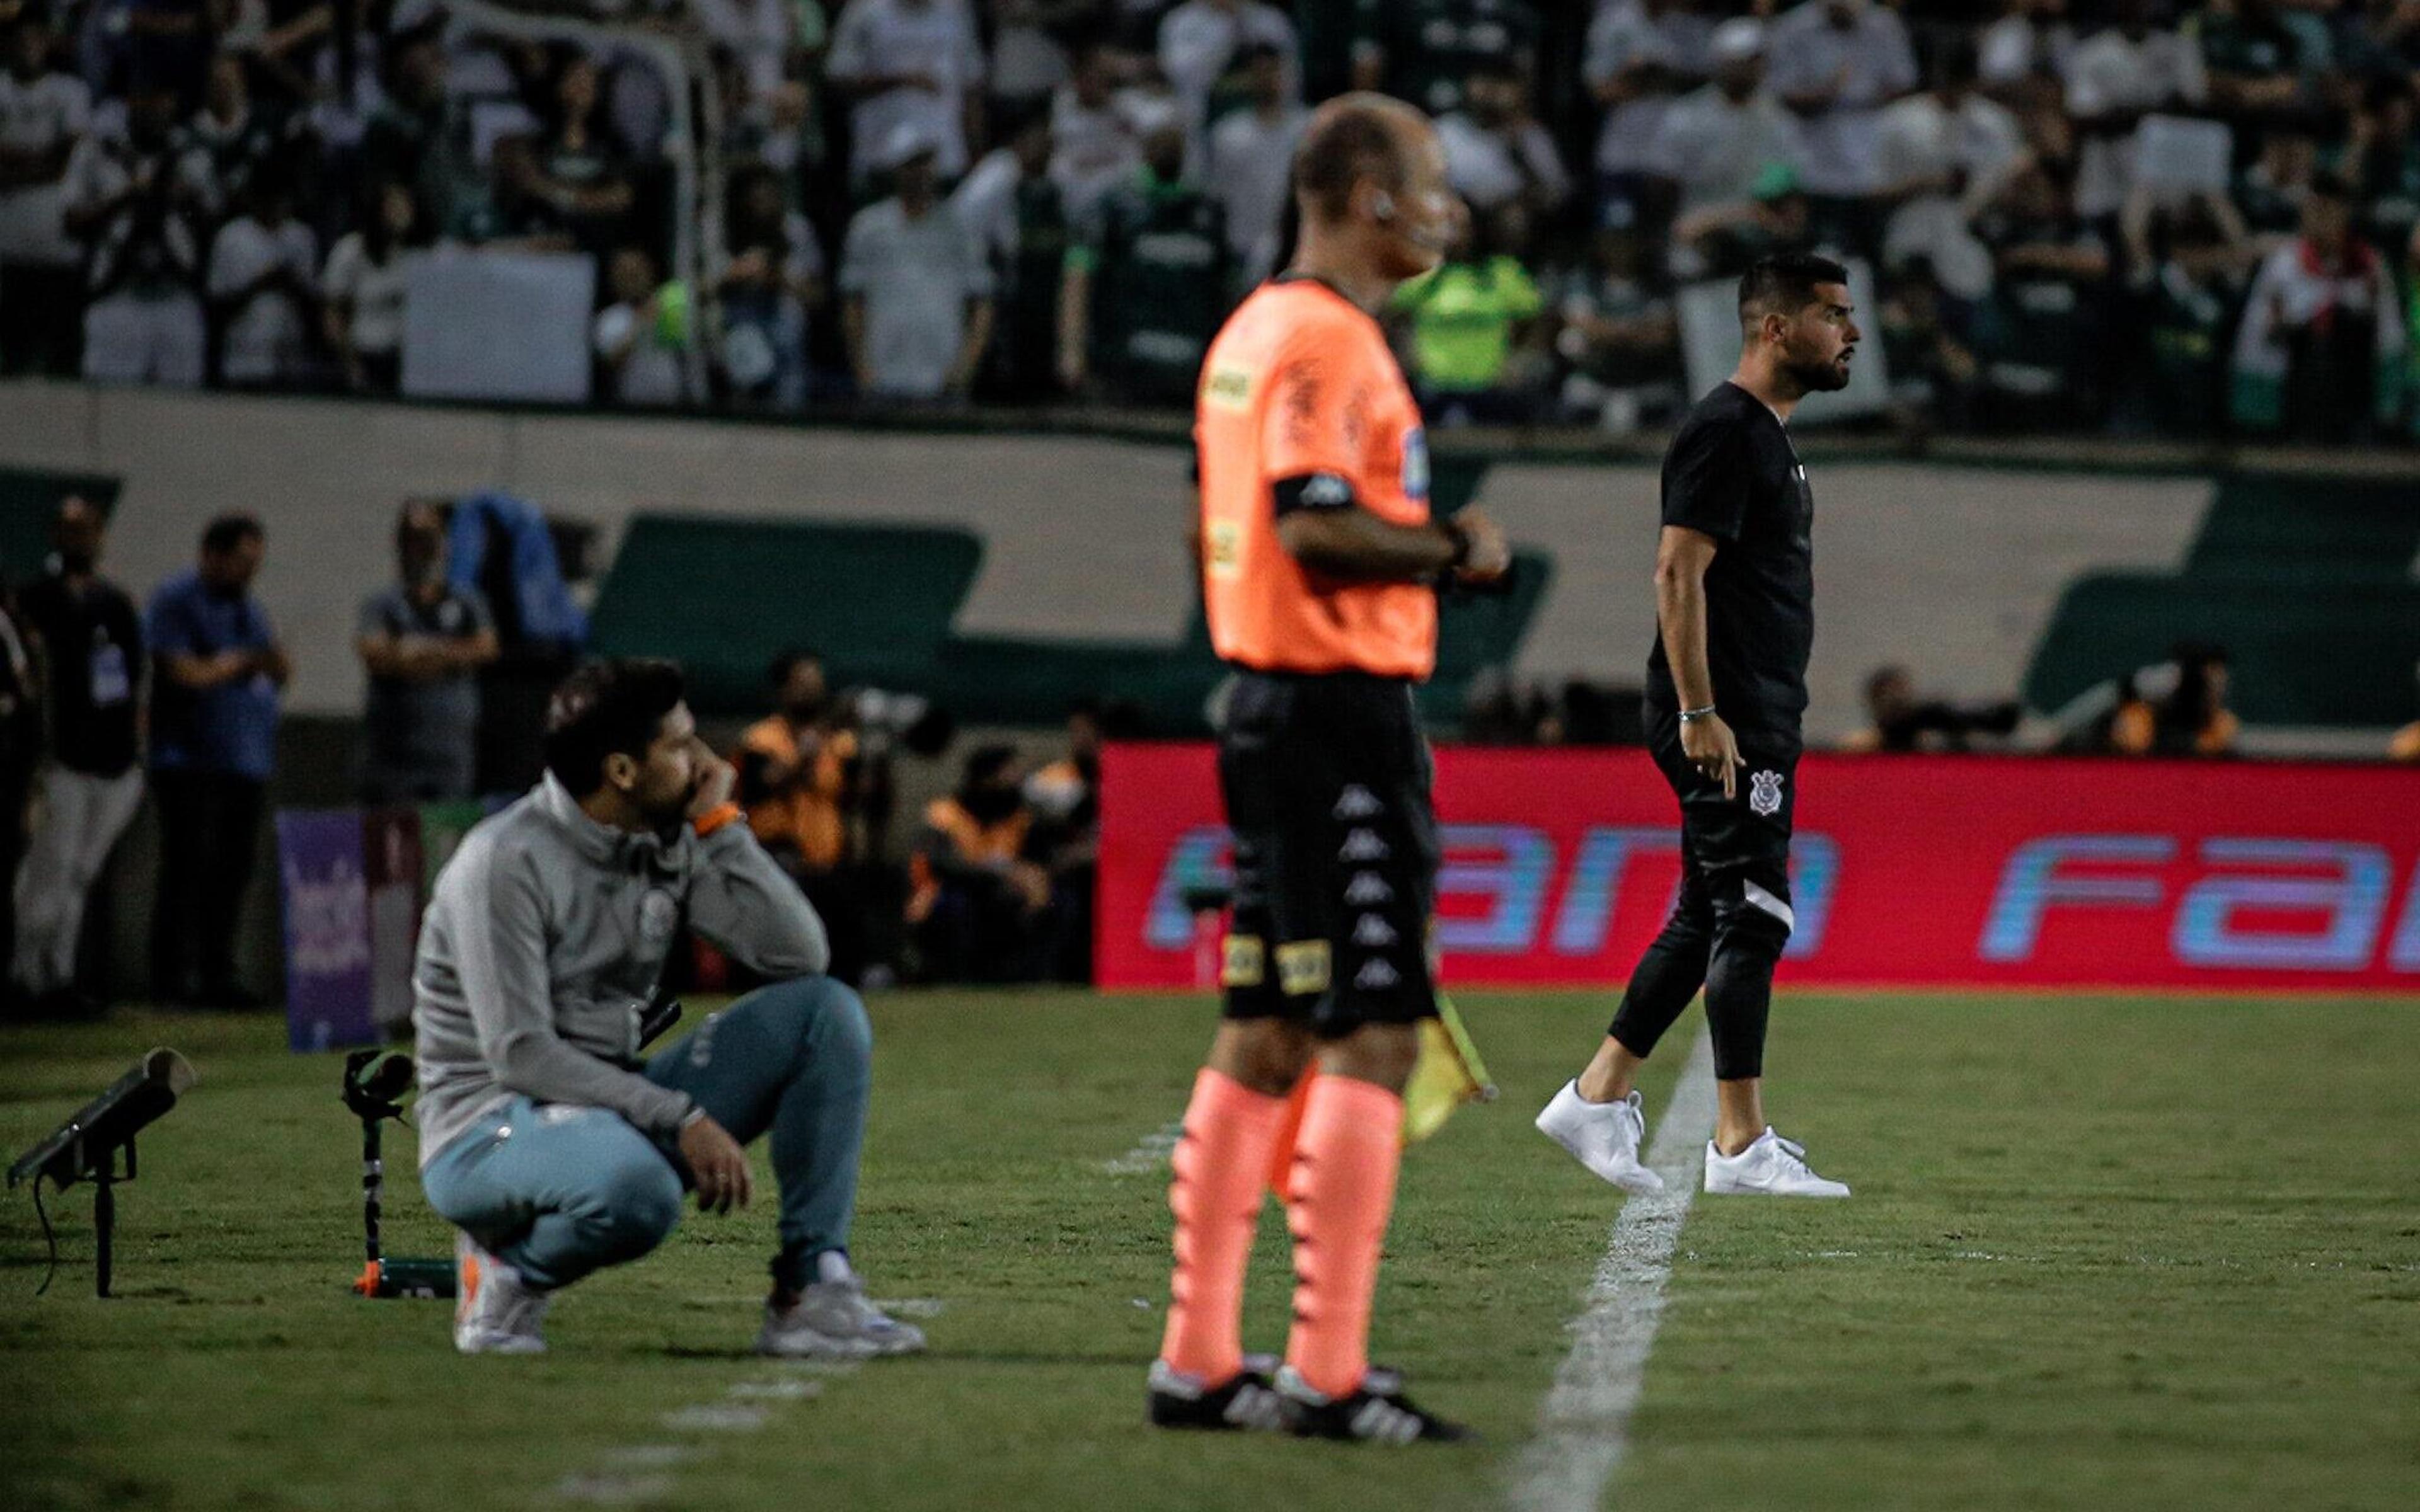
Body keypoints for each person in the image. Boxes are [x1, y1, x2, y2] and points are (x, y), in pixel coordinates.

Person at [1153, 92, 1510, 1443]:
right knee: (1372, 1023)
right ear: (1368, 199)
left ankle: (1197, 1359)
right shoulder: (1322, 337)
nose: (1446, 211)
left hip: (1273, 705)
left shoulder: (1252, 329)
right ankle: (1329, 1374)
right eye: (1429, 186)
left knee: (1267, 1019)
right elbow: (1315, 524)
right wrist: (1453, 551)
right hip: (1333, 715)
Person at [413, 658, 923, 1359]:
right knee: (639, 1193)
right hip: (487, 1127)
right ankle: (504, 1274)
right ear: (623, 771)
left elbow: (799, 958)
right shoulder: (504, 860)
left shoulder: (668, 840)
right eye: (681, 746)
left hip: (606, 1103)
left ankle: (809, 1291)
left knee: (824, 1014)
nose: (706, 761)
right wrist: (678, 1117)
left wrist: (721, 825)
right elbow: (520, 1053)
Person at [1534, 252, 1857, 1202]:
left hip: (1750, 711)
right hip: (1723, 716)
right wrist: (1701, 710)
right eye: (1834, 315)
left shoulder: (1768, 439)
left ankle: (1596, 1098)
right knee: (1756, 912)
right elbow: (1677, 572)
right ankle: (1740, 1141)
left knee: (1705, 912)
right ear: (1774, 327)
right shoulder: (1724, 430)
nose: (1852, 334)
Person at [146, 512, 289, 1009]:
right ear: (213, 554)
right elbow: (181, 670)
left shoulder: (248, 609)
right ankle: (170, 978)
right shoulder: (177, 599)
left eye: (256, 562)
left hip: (243, 761)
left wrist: (263, 662)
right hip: (188, 760)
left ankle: (216, 973)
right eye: (242, 561)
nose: (250, 572)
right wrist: (236, 663)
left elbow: (274, 664)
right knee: (187, 869)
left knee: (232, 871)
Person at [10, 497, 144, 1016]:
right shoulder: (35, 600)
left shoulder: (114, 604)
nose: (79, 539)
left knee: (80, 874)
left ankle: (59, 975)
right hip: (62, 759)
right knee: (51, 866)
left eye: (87, 529)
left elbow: (132, 681)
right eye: (68, 529)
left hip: (111, 762)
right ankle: (25, 972)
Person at [737, 649, 868, 986]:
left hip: (829, 858)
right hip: (778, 855)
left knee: (842, 940)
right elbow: (759, 788)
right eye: (801, 684)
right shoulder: (762, 739)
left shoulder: (840, 743)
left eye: (816, 683)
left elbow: (855, 798)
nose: (811, 691)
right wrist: (803, 757)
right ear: (782, 691)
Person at [839, 123, 995, 400]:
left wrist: (966, 366)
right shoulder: (867, 227)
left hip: (943, 372)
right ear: (896, 168)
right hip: (884, 371)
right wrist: (862, 368)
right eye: (911, 163)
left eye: (925, 161)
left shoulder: (961, 228)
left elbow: (982, 301)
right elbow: (853, 301)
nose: (920, 171)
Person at [357, 501, 499, 804]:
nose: (421, 549)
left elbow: (485, 648)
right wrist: (447, 657)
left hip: (450, 753)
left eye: (429, 538)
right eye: (413, 539)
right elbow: (375, 654)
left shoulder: (467, 604)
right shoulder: (383, 605)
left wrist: (418, 651)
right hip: (394, 756)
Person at [906, 743, 1055, 982]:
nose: (1018, 777)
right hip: (951, 893)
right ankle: (951, 977)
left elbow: (1040, 861)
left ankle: (1021, 977)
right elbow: (939, 863)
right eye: (1011, 770)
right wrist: (993, 873)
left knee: (1035, 903)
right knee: (956, 906)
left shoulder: (1022, 817)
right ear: (988, 777)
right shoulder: (945, 814)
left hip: (1002, 894)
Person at [2108, 641, 2239, 758]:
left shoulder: (2221, 720)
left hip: (2187, 734)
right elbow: (2109, 697)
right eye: (2211, 670)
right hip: (2151, 732)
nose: (2219, 680)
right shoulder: (2165, 681)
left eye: (2219, 671)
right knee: (2135, 722)